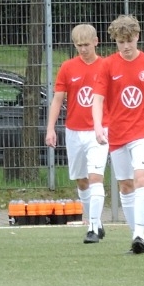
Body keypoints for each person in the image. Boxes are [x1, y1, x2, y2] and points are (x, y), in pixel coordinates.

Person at [93, 14, 144, 255]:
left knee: (141, 178)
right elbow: (98, 99)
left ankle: (140, 234)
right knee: (125, 186)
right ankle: (135, 235)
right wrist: (98, 126)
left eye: (129, 40)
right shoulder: (107, 65)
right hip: (118, 133)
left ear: (137, 36)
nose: (125, 46)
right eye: (120, 42)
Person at [45, 24, 111, 244]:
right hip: (74, 130)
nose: (83, 49)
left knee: (95, 177)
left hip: (99, 130)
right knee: (81, 180)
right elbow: (57, 99)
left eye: (86, 44)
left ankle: (92, 227)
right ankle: (95, 221)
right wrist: (50, 128)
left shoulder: (106, 66)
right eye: (79, 45)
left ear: (96, 42)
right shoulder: (68, 67)